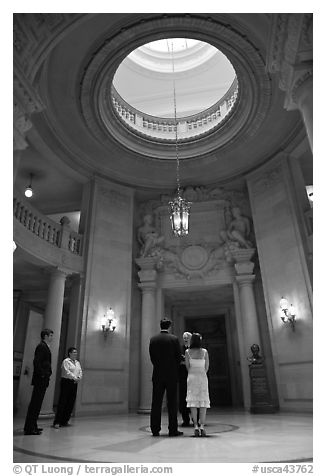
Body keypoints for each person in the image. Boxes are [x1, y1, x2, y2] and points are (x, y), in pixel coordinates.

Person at [149, 318, 183, 437]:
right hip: (171, 375)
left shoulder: (153, 339)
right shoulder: (174, 339)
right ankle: (172, 430)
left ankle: (155, 429)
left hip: (157, 374)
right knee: (172, 402)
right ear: (169, 326)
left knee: (156, 402)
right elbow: (178, 357)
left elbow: (152, 357)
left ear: (160, 326)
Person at [24, 328, 53, 435]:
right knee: (35, 404)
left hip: (42, 379)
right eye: (50, 335)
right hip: (40, 379)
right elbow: (37, 362)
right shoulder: (42, 346)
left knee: (37, 404)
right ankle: (29, 428)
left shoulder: (45, 346)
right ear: (45, 336)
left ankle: (33, 425)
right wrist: (43, 374)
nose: (52, 338)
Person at [185, 333, 210, 437]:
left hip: (192, 377)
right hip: (202, 377)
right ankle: (202, 426)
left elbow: (187, 366)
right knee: (203, 402)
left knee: (193, 403)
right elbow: (207, 366)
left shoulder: (187, 352)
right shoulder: (204, 351)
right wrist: (202, 373)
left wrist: (192, 372)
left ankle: (195, 425)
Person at [52, 347, 83, 429]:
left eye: (76, 352)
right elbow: (66, 371)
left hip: (74, 383)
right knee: (63, 401)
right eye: (74, 352)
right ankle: (57, 421)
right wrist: (75, 377)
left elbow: (80, 371)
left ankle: (65, 420)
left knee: (71, 402)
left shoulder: (77, 362)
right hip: (66, 382)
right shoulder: (66, 361)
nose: (75, 354)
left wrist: (79, 377)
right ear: (69, 353)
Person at [179, 331, 192, 427]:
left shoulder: (195, 349)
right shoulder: (179, 349)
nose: (185, 338)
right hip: (183, 377)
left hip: (193, 376)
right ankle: (185, 419)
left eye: (187, 337)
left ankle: (196, 418)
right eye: (184, 337)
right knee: (183, 398)